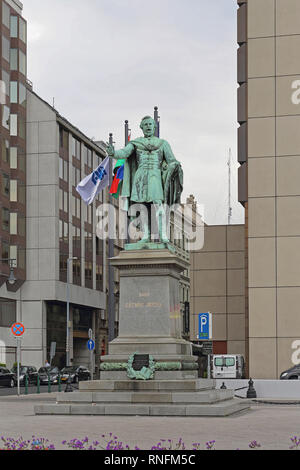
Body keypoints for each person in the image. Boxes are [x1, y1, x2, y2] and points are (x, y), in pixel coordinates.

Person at [106, 116, 183, 243]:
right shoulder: (136, 143)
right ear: (141, 127)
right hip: (140, 177)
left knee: (158, 205)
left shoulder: (163, 144)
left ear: (154, 127)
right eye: (145, 124)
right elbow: (124, 153)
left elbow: (171, 161)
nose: (148, 126)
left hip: (155, 176)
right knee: (142, 207)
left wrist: (175, 165)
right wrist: (113, 153)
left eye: (150, 124)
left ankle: (162, 234)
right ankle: (146, 235)